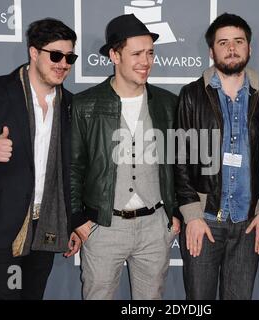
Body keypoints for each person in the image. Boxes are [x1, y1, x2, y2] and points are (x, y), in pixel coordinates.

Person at [0, 18, 81, 300]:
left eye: (69, 57)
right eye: (55, 55)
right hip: (1, 224)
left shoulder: (71, 104)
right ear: (34, 53)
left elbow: (71, 170)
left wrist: (72, 222)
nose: (63, 64)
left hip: (46, 225)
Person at [71, 14, 180, 300]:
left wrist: (176, 214)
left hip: (155, 226)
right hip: (104, 226)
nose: (146, 61)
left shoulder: (168, 104)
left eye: (150, 53)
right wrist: (77, 219)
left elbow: (179, 164)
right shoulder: (85, 105)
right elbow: (72, 167)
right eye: (136, 53)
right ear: (114, 55)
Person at [175, 13, 259, 300]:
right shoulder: (191, 95)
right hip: (204, 221)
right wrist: (191, 215)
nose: (231, 48)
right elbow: (178, 159)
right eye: (223, 42)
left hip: (248, 222)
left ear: (249, 48)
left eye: (238, 41)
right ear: (211, 51)